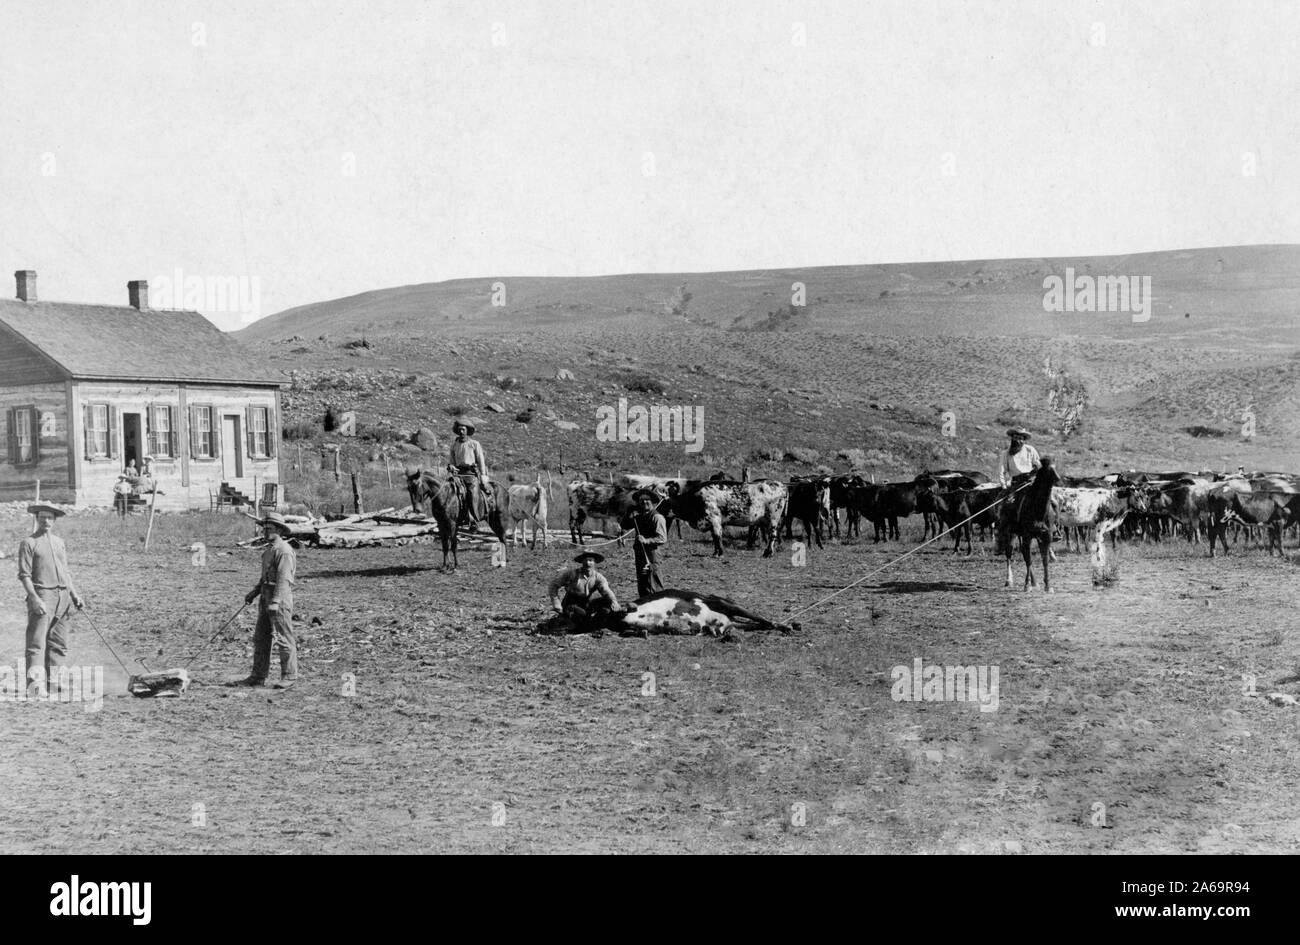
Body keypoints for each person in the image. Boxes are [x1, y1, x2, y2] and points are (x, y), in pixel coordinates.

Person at [17, 504, 84, 698]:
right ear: (37, 519)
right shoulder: (29, 542)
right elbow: (24, 575)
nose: (45, 521)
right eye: (42, 517)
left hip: (63, 596)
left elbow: (65, 572)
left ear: (54, 521)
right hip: (42, 594)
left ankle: (55, 682)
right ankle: (35, 685)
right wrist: (35, 598)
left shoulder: (59, 542)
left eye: (49, 518)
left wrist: (74, 595)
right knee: (37, 642)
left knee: (59, 642)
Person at [229, 512, 298, 689]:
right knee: (261, 637)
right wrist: (255, 591)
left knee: (283, 638)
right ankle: (258, 676)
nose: (265, 532)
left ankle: (289, 676)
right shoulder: (269, 550)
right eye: (264, 528)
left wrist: (275, 601)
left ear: (280, 530)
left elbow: (284, 579)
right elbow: (265, 577)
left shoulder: (284, 551)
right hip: (266, 595)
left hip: (279, 598)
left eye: (270, 529)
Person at [548, 551, 620, 630]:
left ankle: (593, 622)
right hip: (571, 604)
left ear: (594, 562)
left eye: (590, 560)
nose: (588, 563)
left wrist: (614, 602)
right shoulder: (572, 574)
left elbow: (606, 591)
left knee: (608, 603)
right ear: (582, 561)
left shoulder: (598, 577)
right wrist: (556, 603)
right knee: (580, 619)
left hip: (587, 603)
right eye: (585, 560)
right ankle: (579, 623)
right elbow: (553, 585)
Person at [448, 418, 491, 525]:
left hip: (470, 474)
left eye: (463, 429)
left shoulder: (474, 444)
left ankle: (475, 519)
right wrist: (452, 467)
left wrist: (483, 475)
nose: (461, 432)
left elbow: (480, 460)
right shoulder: (454, 445)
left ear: (467, 431)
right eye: (459, 430)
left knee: (471, 494)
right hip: (458, 474)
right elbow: (451, 461)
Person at [630, 490, 667, 599]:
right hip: (640, 552)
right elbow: (624, 525)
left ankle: (658, 607)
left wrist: (646, 540)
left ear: (653, 502)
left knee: (654, 582)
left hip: (652, 553)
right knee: (643, 582)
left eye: (647, 500)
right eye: (641, 500)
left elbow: (662, 538)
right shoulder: (639, 516)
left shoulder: (657, 517)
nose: (644, 502)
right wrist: (629, 514)